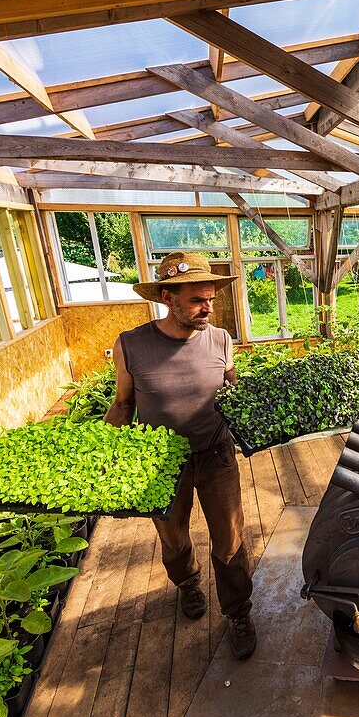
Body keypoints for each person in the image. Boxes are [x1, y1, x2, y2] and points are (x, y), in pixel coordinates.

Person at [105, 251, 257, 661]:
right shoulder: (131, 345)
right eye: (196, 300)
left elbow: (233, 396)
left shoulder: (222, 340)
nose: (208, 307)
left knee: (230, 538)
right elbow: (122, 405)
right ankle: (188, 583)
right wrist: (101, 461)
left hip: (216, 454)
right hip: (161, 462)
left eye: (211, 299)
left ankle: (238, 611)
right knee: (172, 536)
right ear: (168, 298)